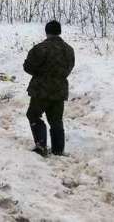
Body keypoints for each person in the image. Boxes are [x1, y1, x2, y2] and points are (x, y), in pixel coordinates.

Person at [23, 21, 75, 157]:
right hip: (60, 89)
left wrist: (41, 74)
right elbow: (69, 68)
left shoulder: (41, 48)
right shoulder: (69, 49)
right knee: (56, 120)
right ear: (60, 31)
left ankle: (41, 146)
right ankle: (58, 149)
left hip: (41, 90)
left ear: (47, 32)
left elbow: (28, 67)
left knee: (33, 115)